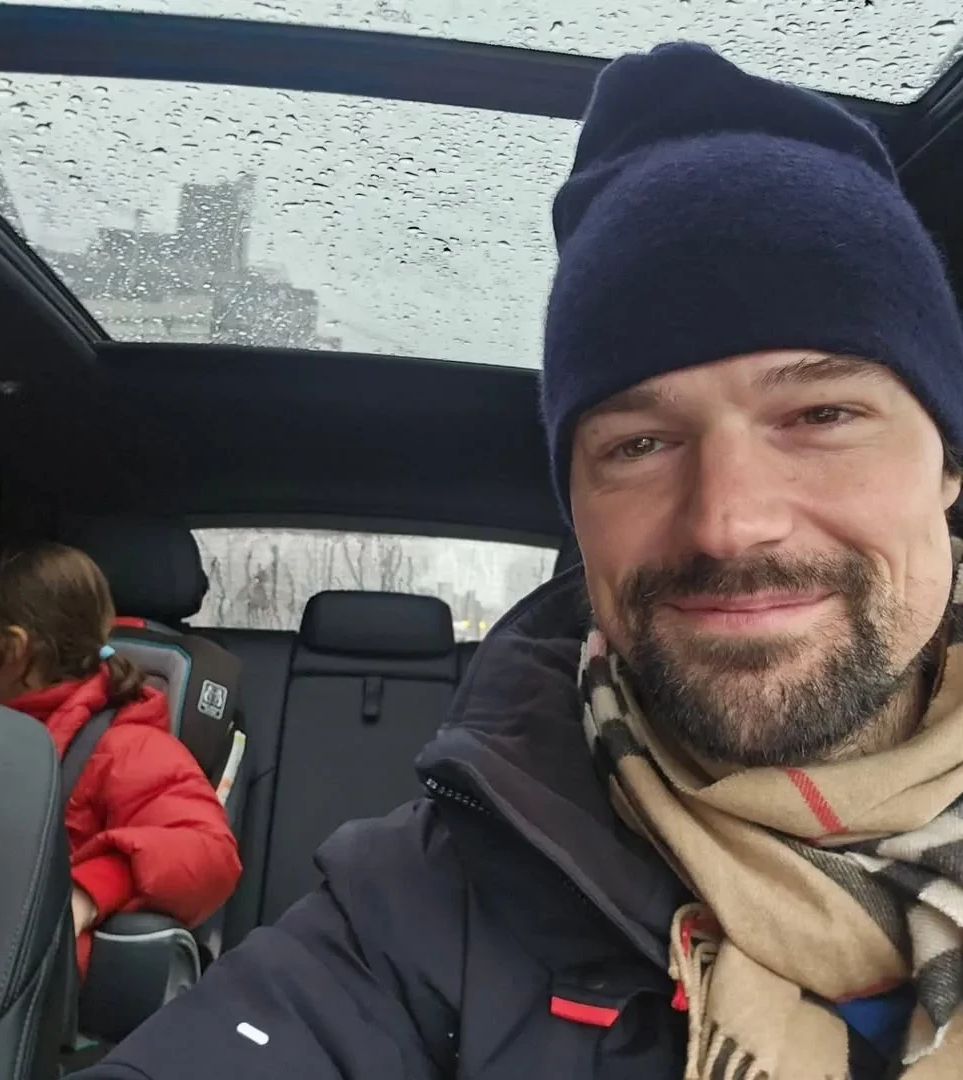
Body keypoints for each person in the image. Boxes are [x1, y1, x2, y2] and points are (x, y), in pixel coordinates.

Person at [75, 43, 963, 1080]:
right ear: (577, 509)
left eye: (821, 414)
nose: (729, 522)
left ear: (948, 461)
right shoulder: (417, 909)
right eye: (639, 444)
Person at [0, 543, 242, 978]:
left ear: (14, 649)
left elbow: (208, 854)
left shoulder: (124, 746)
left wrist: (91, 889)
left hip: (14, 979)